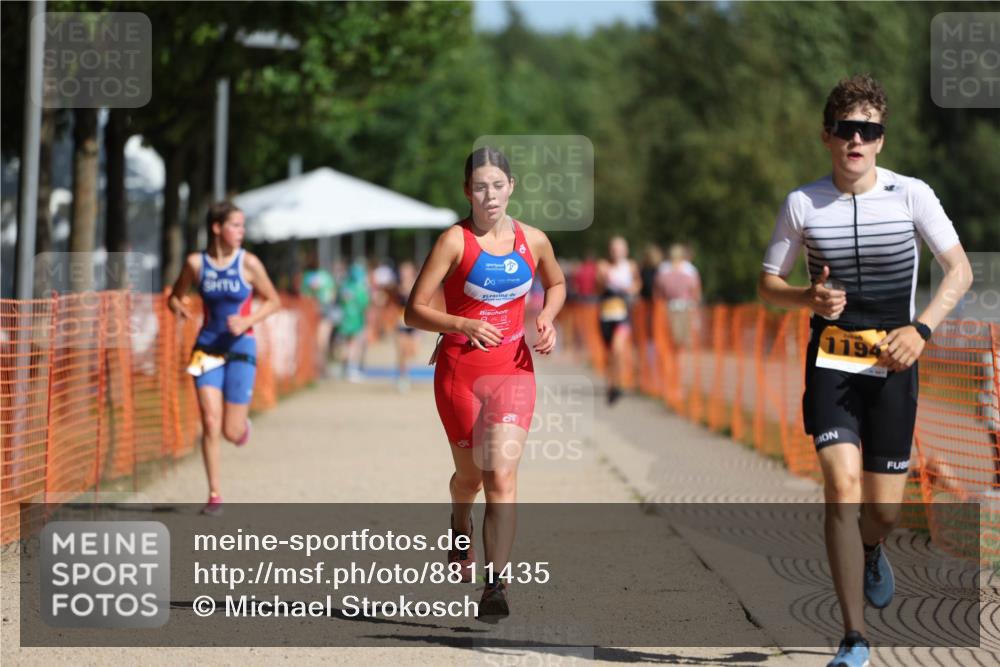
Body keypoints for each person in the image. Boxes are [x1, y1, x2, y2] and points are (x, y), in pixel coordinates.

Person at [757, 74, 972, 667]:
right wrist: (807, 300)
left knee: (881, 513)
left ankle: (875, 548)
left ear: (881, 139)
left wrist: (921, 330)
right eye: (847, 129)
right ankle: (853, 637)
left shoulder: (911, 195)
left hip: (895, 365)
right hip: (831, 366)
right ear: (827, 136)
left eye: (868, 130)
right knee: (841, 491)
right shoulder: (803, 203)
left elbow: (959, 271)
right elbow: (768, 285)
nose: (857, 139)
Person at [404, 146, 565, 622]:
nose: (489, 195)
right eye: (480, 187)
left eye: (497, 185)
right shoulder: (454, 241)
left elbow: (555, 284)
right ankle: (459, 524)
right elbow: (413, 310)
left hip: (513, 369)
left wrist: (548, 318)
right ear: (467, 192)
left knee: (502, 477)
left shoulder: (533, 240)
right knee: (470, 477)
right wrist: (461, 325)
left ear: (511, 187)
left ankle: (495, 583)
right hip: (459, 372)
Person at [168, 202, 281, 516]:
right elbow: (174, 296)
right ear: (217, 228)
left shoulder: (249, 263)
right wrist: (177, 306)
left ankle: (240, 429)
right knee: (209, 420)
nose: (241, 232)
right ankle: (215, 494)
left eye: (243, 226)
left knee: (230, 431)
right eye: (235, 225)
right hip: (206, 348)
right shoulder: (196, 263)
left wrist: (248, 321)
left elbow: (274, 300)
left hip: (241, 348)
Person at [596, 236, 640, 404]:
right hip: (606, 314)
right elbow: (598, 287)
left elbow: (637, 284)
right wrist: (602, 279)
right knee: (610, 353)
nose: (616, 252)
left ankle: (619, 384)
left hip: (623, 315)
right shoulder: (603, 266)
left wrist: (632, 289)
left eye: (619, 248)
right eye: (613, 248)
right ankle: (611, 384)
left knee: (617, 348)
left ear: (626, 250)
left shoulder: (631, 266)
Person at [655, 243, 703, 348]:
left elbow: (696, 291)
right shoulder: (666, 268)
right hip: (672, 306)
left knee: (680, 338)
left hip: (682, 306)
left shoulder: (688, 269)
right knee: (674, 337)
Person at [300, 252, 337, 378]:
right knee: (321, 341)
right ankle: (320, 367)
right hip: (320, 311)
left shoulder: (308, 277)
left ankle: (320, 367)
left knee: (318, 341)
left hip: (317, 311)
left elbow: (304, 295)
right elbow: (332, 294)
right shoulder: (324, 276)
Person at [336, 261, 370, 382]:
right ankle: (351, 369)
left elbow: (339, 301)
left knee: (346, 344)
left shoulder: (345, 286)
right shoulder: (359, 288)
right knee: (353, 344)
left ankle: (344, 368)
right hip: (355, 319)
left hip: (344, 318)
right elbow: (364, 304)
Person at [394, 260, 419, 392]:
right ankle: (403, 377)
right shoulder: (397, 287)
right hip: (401, 323)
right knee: (402, 352)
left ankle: (405, 372)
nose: (404, 273)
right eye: (402, 270)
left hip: (414, 323)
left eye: (406, 270)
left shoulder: (418, 285)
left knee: (412, 351)